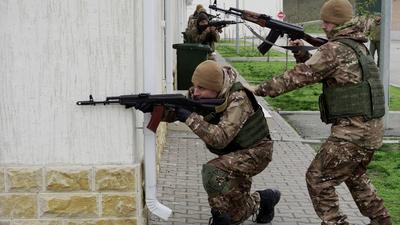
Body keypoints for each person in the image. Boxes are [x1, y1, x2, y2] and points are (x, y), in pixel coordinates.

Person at [249, 0, 392, 225]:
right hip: (371, 132)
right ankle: (382, 220)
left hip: (351, 134)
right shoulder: (357, 45)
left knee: (317, 179)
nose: (323, 26)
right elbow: (326, 73)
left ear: (338, 23)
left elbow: (298, 76)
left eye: (327, 22)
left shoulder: (334, 49)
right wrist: (301, 54)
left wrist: (258, 89)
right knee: (354, 177)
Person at [135, 60, 281, 225]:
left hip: (256, 153)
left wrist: (188, 117)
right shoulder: (202, 94)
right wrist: (156, 110)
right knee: (236, 215)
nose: (195, 92)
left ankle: (219, 216)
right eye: (194, 86)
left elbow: (220, 138)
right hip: (233, 153)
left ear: (217, 88)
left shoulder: (239, 100)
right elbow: (177, 112)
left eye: (202, 88)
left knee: (212, 171)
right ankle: (265, 198)